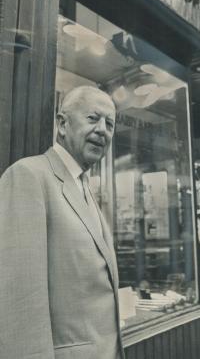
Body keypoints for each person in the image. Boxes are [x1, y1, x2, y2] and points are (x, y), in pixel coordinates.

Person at [0, 86, 125, 359]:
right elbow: (20, 301)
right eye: (93, 118)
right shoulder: (28, 176)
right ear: (62, 124)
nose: (103, 130)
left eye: (110, 124)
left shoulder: (85, 187)